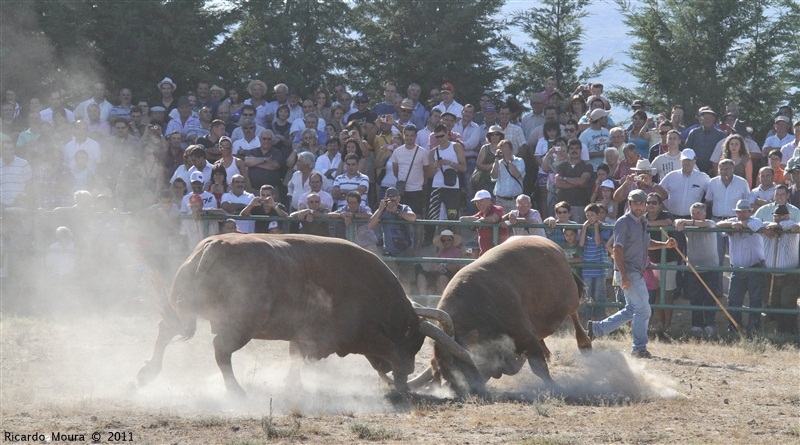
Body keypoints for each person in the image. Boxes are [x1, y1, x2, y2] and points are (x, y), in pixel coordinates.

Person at [587, 189, 677, 359]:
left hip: (634, 272)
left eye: (641, 203)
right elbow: (617, 249)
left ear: (644, 206)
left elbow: (647, 243)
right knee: (643, 310)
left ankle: (597, 329)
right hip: (629, 272)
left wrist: (664, 245)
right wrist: (624, 276)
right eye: (635, 203)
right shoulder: (624, 222)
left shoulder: (642, 222)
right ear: (629, 204)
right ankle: (639, 347)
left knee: (631, 310)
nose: (638, 206)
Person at [716, 199, 767, 334]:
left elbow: (756, 225)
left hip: (755, 267)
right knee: (733, 300)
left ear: (750, 212)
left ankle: (753, 329)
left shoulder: (755, 220)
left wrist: (740, 224)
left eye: (745, 211)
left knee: (755, 300)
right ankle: (734, 328)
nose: (742, 213)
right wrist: (734, 224)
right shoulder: (732, 221)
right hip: (737, 269)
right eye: (739, 211)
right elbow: (718, 225)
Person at [674, 203, 721, 336]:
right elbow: (676, 223)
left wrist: (687, 221)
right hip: (693, 269)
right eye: (693, 213)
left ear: (705, 214)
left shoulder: (710, 223)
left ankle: (710, 324)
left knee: (709, 298)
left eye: (699, 213)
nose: (695, 216)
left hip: (710, 267)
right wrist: (679, 221)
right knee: (695, 298)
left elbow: (704, 224)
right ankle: (696, 324)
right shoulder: (688, 226)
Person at [761, 204, 800, 334]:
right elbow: (757, 224)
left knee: (787, 303)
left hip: (789, 273)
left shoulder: (790, 224)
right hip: (772, 273)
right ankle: (780, 330)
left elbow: (793, 226)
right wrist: (770, 227)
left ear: (787, 216)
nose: (778, 218)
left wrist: (777, 226)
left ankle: (791, 332)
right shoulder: (767, 225)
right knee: (776, 303)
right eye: (776, 216)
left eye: (781, 215)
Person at [367, 187, 416, 285]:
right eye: (389, 198)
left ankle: (406, 298)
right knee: (390, 281)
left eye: (393, 198)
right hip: (390, 251)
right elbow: (370, 226)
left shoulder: (404, 208)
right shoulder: (383, 210)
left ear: (398, 198)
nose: (391, 200)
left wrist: (396, 211)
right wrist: (380, 209)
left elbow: (413, 218)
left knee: (405, 281)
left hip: (406, 249)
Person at [643, 193, 678, 330]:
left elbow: (668, 223)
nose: (650, 205)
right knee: (656, 292)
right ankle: (659, 323)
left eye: (654, 202)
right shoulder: (643, 217)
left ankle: (667, 325)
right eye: (648, 202)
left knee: (667, 292)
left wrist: (648, 224)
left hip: (667, 259)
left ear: (659, 205)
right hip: (650, 261)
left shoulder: (665, 214)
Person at [580, 203, 608, 321]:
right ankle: (587, 316)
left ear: (598, 215)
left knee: (599, 293)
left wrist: (596, 228)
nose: (590, 218)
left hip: (600, 267)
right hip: (587, 267)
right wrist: (585, 228)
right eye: (587, 215)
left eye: (592, 215)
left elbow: (598, 242)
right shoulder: (585, 227)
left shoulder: (604, 227)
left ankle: (599, 316)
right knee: (588, 292)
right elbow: (581, 243)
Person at [555, 138, 593, 223]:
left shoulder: (587, 166)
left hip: (580, 204)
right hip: (562, 205)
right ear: (568, 150)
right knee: (561, 231)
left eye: (577, 148)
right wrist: (578, 183)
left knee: (578, 232)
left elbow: (582, 181)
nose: (574, 150)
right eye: (572, 148)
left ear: (580, 150)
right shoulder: (561, 166)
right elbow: (557, 184)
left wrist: (565, 178)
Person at [460, 189, 509, 256]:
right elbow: (462, 219)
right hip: (485, 254)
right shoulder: (481, 214)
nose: (479, 204)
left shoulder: (497, 209)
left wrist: (480, 219)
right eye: (477, 202)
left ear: (489, 200)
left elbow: (494, 219)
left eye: (481, 201)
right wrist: (479, 219)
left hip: (499, 253)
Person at [416, 229, 462, 295]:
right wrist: (437, 268)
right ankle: (423, 297)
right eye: (443, 240)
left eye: (449, 240)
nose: (446, 242)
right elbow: (431, 268)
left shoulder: (458, 252)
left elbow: (458, 267)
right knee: (421, 274)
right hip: (438, 273)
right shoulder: (439, 253)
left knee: (442, 277)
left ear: (453, 240)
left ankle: (442, 299)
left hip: (451, 275)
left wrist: (444, 267)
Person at [490, 139, 525, 213]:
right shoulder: (498, 163)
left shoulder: (519, 161)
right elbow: (494, 176)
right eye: (502, 149)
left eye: (506, 149)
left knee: (515, 222)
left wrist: (508, 161)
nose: (504, 151)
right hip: (500, 200)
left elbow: (517, 175)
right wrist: (496, 160)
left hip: (515, 200)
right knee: (501, 222)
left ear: (511, 150)